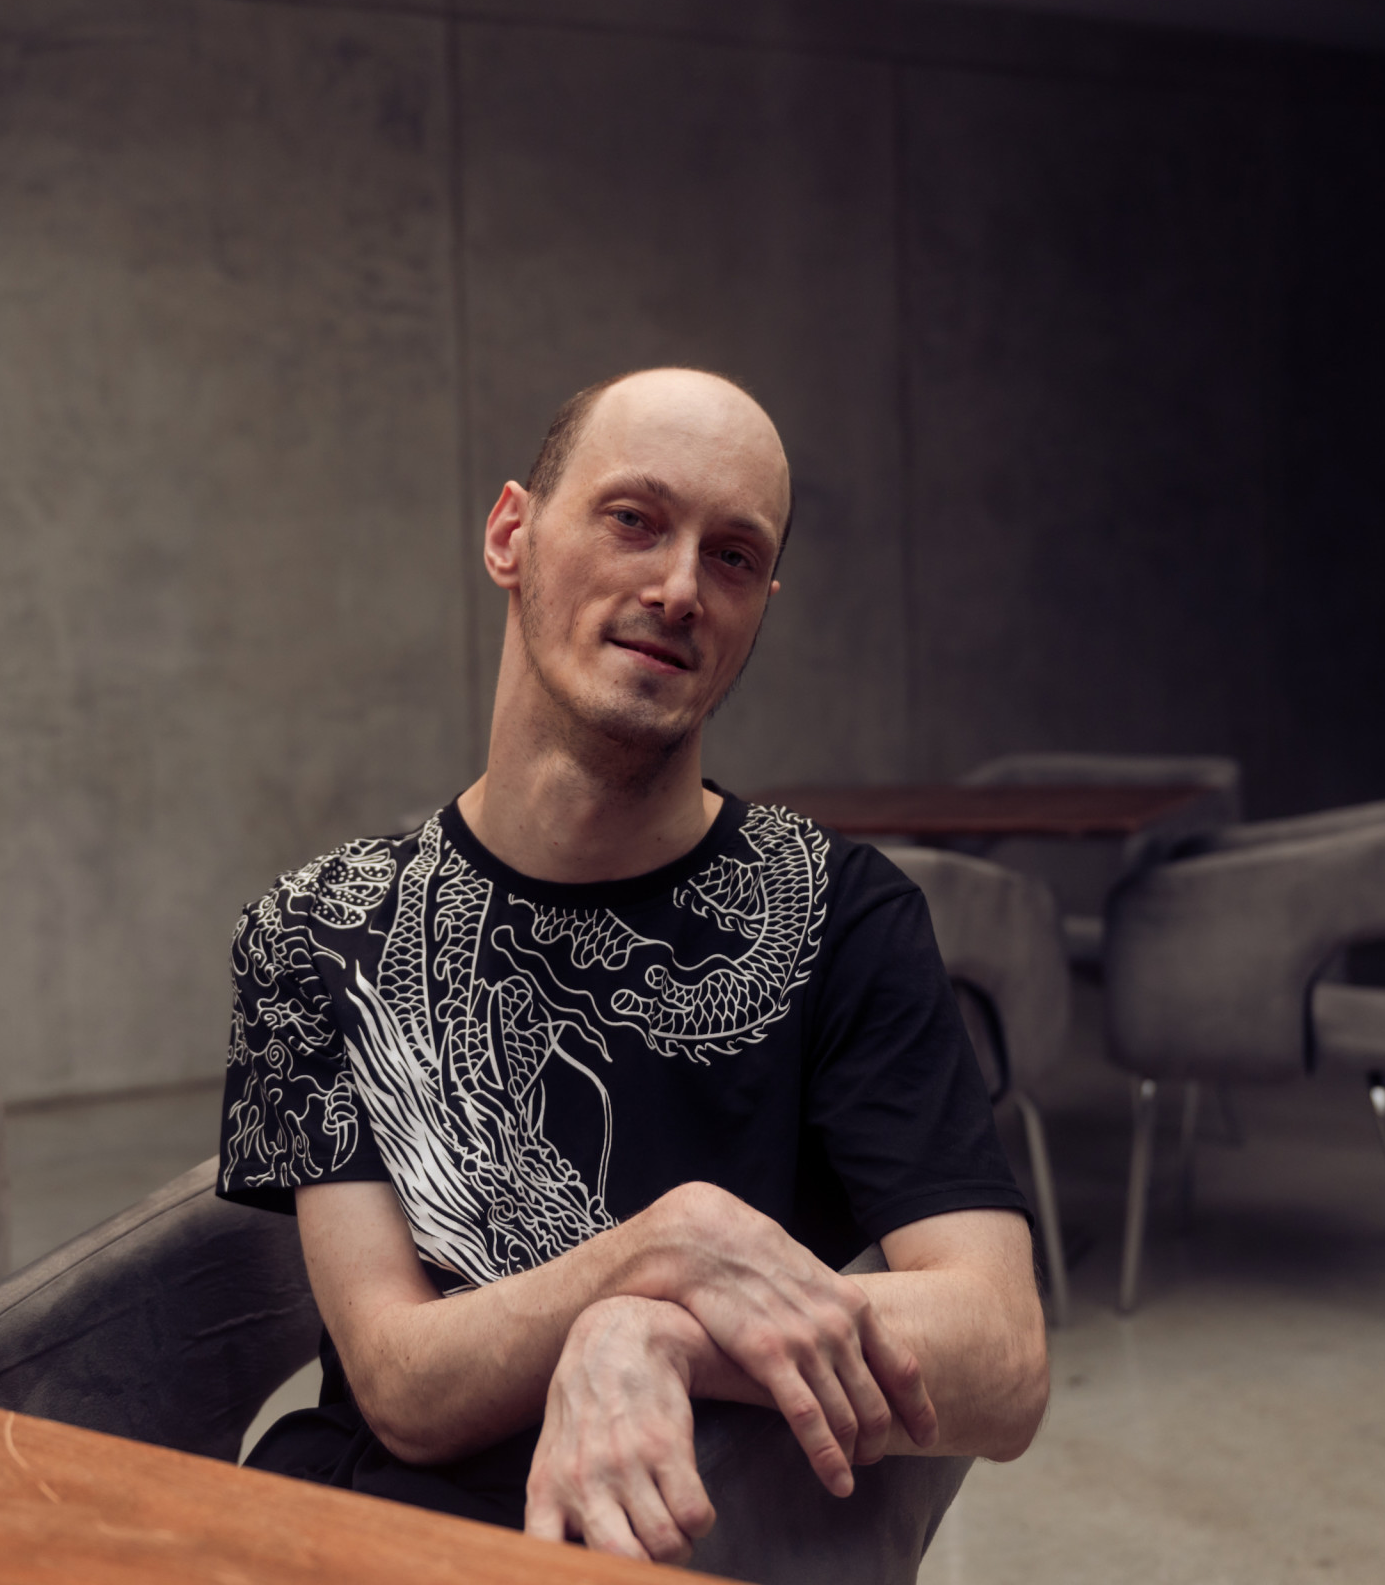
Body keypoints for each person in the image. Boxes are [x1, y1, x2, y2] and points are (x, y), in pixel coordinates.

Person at [216, 367, 1048, 1565]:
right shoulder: (317, 927)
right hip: (359, 1531)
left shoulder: (840, 915)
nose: (676, 588)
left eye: (734, 556)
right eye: (634, 519)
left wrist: (651, 1329)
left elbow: (1002, 1352)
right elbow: (396, 1377)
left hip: (686, 1529)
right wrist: (658, 1250)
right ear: (513, 533)